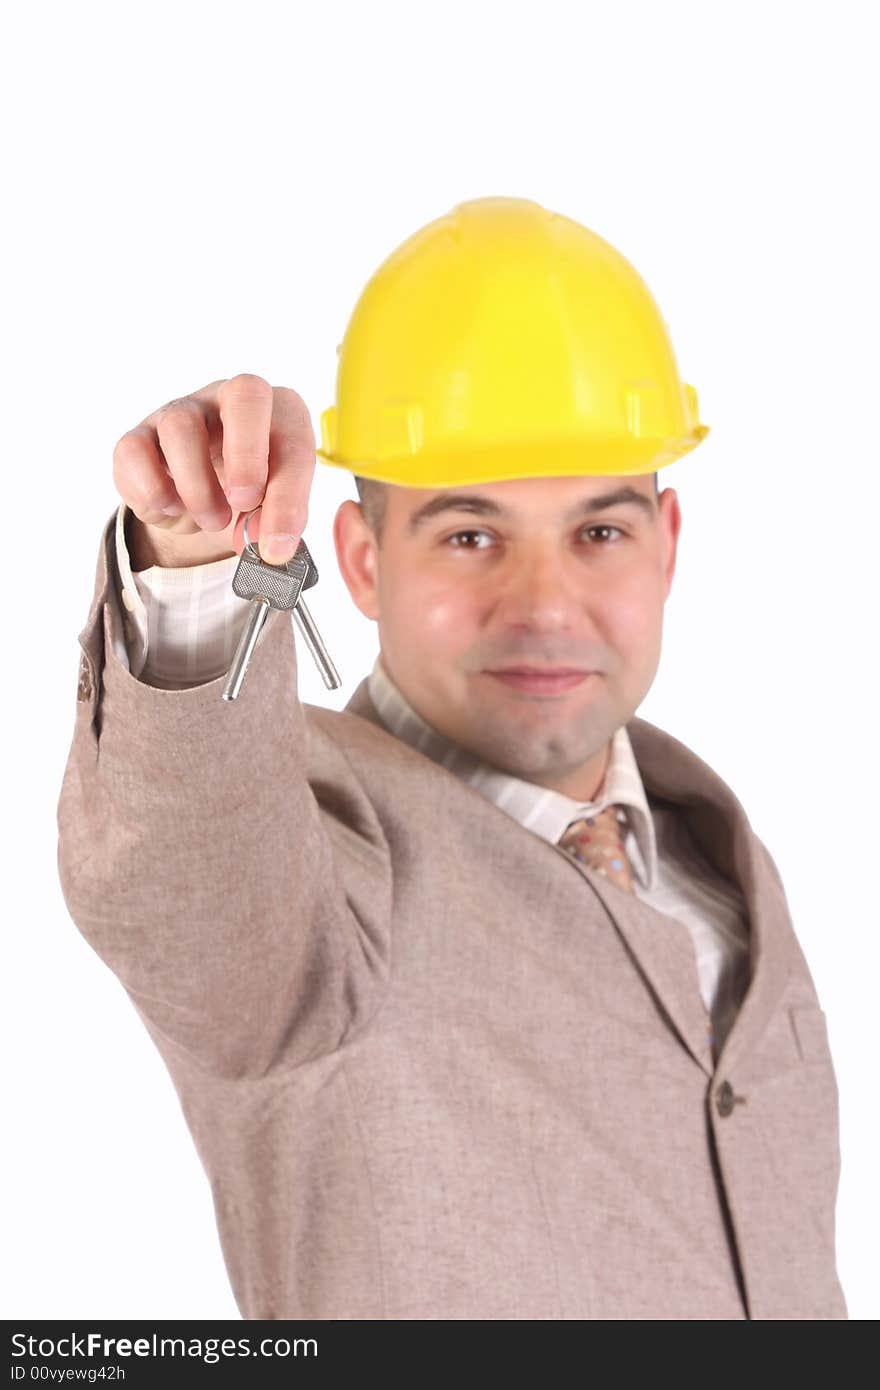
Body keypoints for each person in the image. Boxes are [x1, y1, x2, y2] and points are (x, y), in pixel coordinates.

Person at [56, 196, 847, 1320]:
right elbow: (176, 880)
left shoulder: (718, 867)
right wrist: (192, 568)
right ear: (362, 561)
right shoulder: (322, 883)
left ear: (666, 549)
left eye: (599, 531)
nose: (544, 606)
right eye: (470, 536)